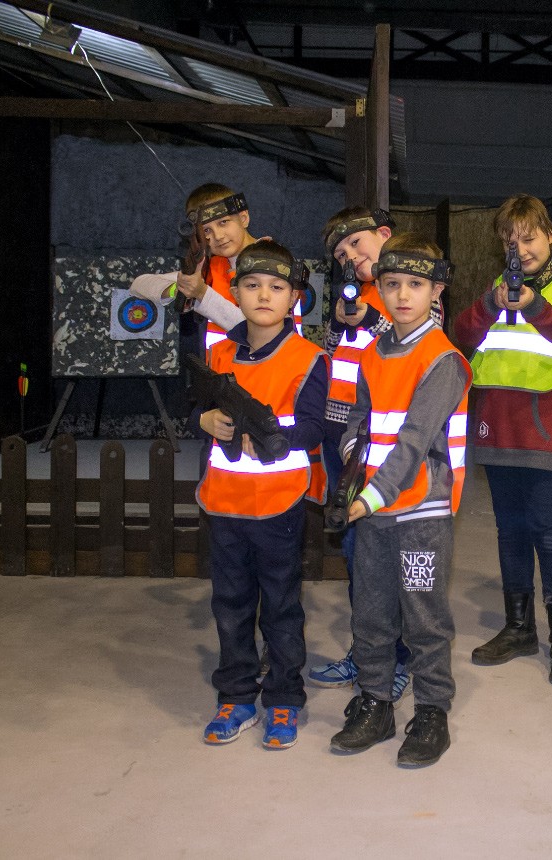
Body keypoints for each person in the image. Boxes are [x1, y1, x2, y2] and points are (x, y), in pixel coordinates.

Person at [328, 233, 471, 768]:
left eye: (415, 284)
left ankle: (432, 711)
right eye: (391, 284)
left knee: (424, 616)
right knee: (370, 612)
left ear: (437, 291)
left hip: (420, 517)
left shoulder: (442, 360)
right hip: (374, 512)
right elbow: (359, 422)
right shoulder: (371, 352)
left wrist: (368, 498)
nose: (403, 295)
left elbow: (413, 442)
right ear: (379, 288)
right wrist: (351, 464)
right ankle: (376, 703)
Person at [454, 194, 552, 686]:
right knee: (510, 530)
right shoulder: (498, 288)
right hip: (497, 426)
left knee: (550, 530)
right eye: (510, 242)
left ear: (551, 235)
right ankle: (519, 628)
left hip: (548, 428)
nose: (521, 249)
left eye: (530, 237)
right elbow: (462, 333)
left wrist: (533, 304)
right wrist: (489, 303)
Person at [195, 240, 329, 749]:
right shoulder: (219, 353)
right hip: (224, 501)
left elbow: (315, 427)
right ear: (236, 292)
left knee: (280, 607)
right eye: (252, 285)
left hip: (279, 505)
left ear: (295, 297)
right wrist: (203, 420)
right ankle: (236, 696)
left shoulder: (309, 358)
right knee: (229, 605)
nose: (264, 296)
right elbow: (198, 408)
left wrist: (278, 438)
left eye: (276, 287)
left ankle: (284, 698)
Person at [308, 207, 441, 697]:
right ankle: (368, 653)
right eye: (341, 253)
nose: (351, 256)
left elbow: (420, 339)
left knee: (396, 558)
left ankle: (400, 659)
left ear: (383, 234)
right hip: (343, 435)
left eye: (356, 244)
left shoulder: (408, 291)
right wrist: (340, 323)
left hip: (386, 445)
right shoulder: (352, 295)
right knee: (359, 559)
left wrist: (372, 319)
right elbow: (331, 354)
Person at [176, 183, 255, 352]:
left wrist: (201, 293)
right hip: (223, 366)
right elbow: (141, 285)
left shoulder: (274, 262)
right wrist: (176, 288)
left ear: (243, 218)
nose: (218, 236)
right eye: (206, 230)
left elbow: (258, 334)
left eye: (223, 222)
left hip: (268, 367)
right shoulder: (216, 264)